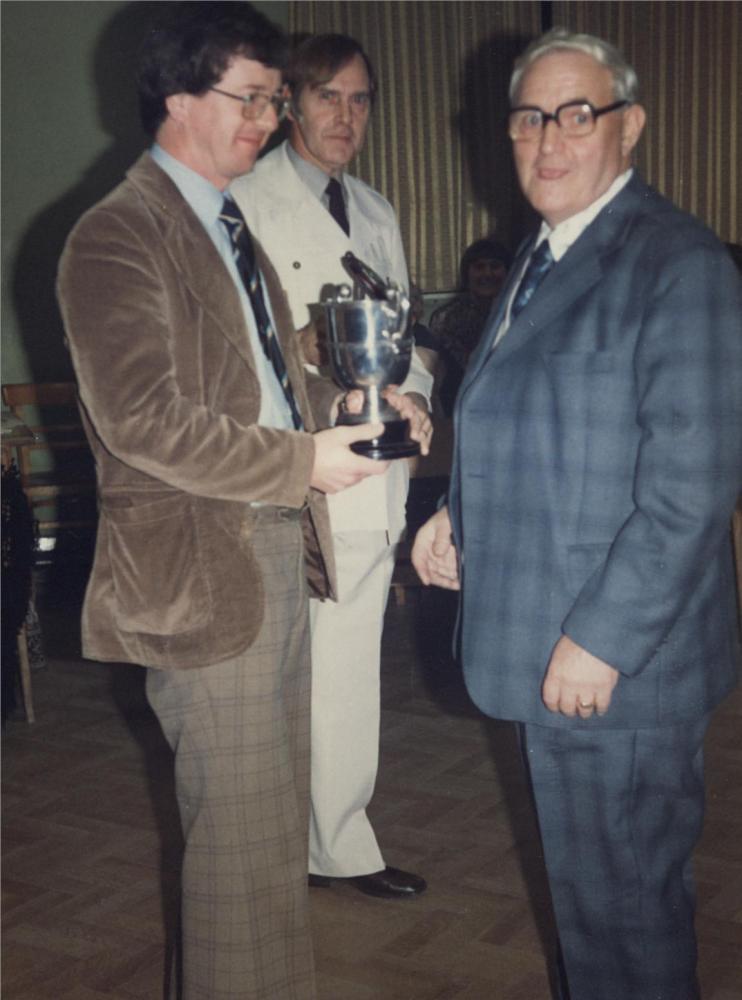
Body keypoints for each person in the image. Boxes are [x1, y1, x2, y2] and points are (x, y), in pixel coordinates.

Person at [55, 5, 405, 997]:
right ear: (175, 99)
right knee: (235, 852)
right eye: (249, 98)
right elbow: (145, 421)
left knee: (264, 843)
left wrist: (349, 394)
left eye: (271, 99)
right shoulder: (118, 232)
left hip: (272, 549)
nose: (268, 119)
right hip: (204, 570)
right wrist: (300, 462)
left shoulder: (223, 219)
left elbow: (252, 370)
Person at [413, 27, 742, 1000]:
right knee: (592, 899)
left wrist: (599, 639)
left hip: (618, 664)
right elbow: (530, 419)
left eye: (576, 113)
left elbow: (691, 485)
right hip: (554, 638)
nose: (547, 138)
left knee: (626, 906)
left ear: (627, 125)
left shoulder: (677, 266)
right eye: (528, 117)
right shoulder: (543, 254)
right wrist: (456, 519)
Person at [231, 33, 431, 899]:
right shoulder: (243, 201)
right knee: (275, 677)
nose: (345, 117)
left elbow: (403, 334)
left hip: (373, 470)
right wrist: (310, 358)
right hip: (290, 473)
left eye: (360, 100)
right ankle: (275, 847)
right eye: (326, 98)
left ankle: (338, 844)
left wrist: (417, 392)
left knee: (349, 671)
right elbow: (233, 352)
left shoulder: (377, 212)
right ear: (288, 105)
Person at [429, 237, 512, 414]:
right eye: (479, 267)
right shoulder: (445, 317)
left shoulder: (518, 314)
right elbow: (437, 375)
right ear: (467, 274)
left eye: (495, 266)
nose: (487, 274)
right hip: (459, 407)